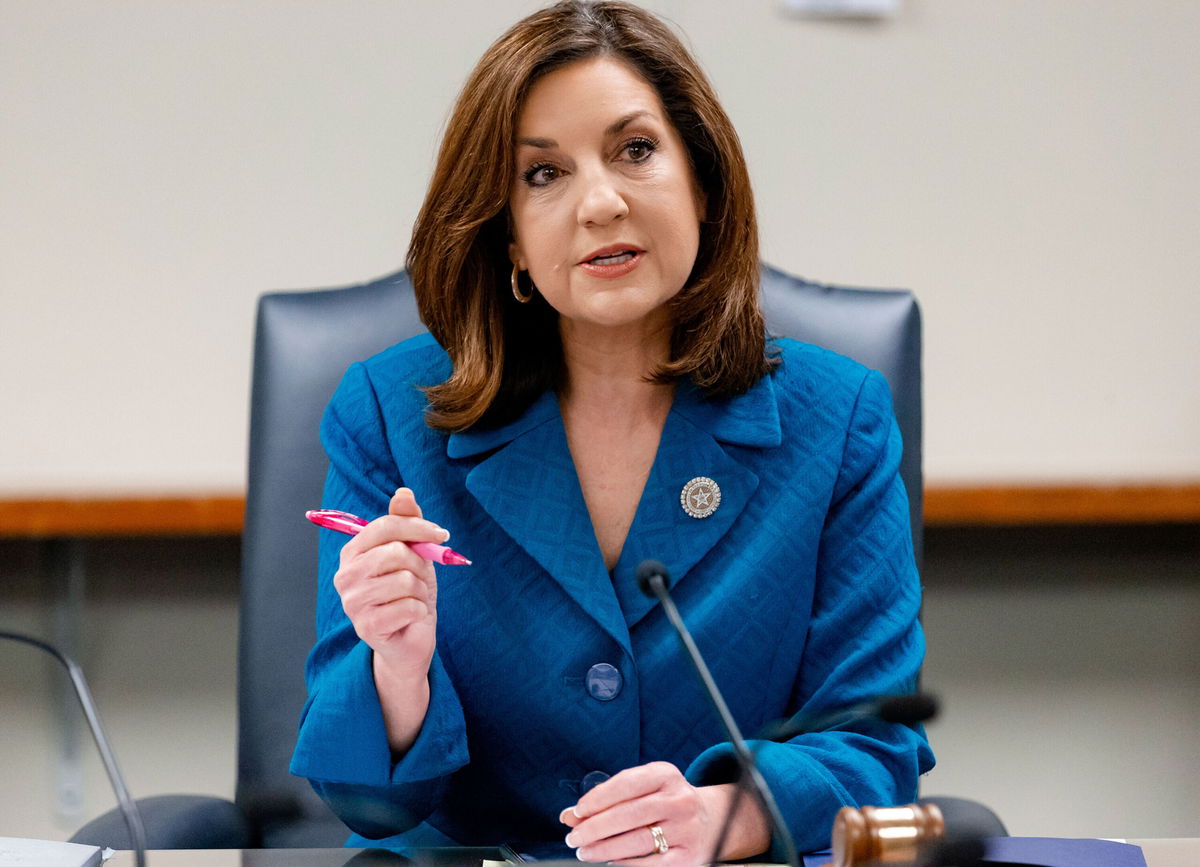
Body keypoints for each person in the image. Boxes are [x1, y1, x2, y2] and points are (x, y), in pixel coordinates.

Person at [289, 2, 934, 863]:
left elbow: (877, 745)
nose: (600, 202)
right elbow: (366, 803)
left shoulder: (838, 416)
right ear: (509, 237)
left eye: (636, 150)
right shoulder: (390, 415)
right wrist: (397, 669)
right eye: (543, 175)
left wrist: (728, 816)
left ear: (701, 180)